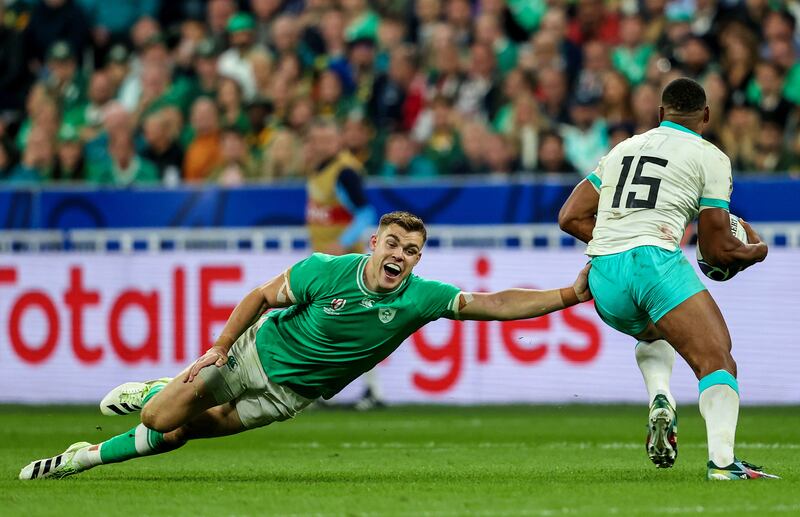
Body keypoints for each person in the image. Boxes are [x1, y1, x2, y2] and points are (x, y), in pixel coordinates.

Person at [19, 211, 592, 480]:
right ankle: (155, 388)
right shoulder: (326, 270)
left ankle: (82, 460)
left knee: (179, 434)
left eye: (411, 251)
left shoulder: (421, 297)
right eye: (393, 244)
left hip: (287, 397)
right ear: (375, 243)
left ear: (418, 259)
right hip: (249, 360)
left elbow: (494, 303)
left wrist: (568, 293)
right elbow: (260, 297)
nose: (400, 256)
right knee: (156, 414)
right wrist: (220, 348)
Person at [558, 78, 778, 481]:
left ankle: (660, 394)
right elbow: (715, 250)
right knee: (716, 358)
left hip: (603, 275)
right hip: (653, 260)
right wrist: (754, 252)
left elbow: (569, 216)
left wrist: (613, 240)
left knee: (655, 332)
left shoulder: (621, 149)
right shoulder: (710, 156)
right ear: (706, 116)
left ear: (660, 114)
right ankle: (725, 465)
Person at [305, 118, 382, 409]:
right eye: (316, 140)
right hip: (326, 264)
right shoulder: (318, 172)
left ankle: (374, 391)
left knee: (351, 326)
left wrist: (341, 242)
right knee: (328, 325)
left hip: (346, 263)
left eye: (327, 140)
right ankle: (322, 389)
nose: (321, 146)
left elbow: (365, 213)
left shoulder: (345, 172)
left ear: (337, 142)